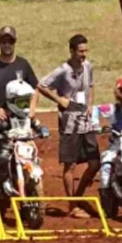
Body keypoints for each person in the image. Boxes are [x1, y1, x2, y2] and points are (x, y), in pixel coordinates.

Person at [0, 26, 41, 211]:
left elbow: (35, 89)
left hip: (20, 125)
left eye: (10, 41)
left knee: (25, 160)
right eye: (3, 41)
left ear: (15, 42)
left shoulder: (23, 65)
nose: (7, 45)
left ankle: (26, 201)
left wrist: (32, 109)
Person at [38, 34, 100, 219]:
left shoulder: (88, 66)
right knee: (70, 164)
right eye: (80, 51)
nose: (84, 55)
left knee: (95, 162)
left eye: (86, 51)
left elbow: (91, 85)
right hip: (69, 121)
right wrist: (59, 100)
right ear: (72, 51)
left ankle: (78, 195)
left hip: (85, 119)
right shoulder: (63, 71)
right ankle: (72, 206)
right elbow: (42, 85)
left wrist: (90, 105)